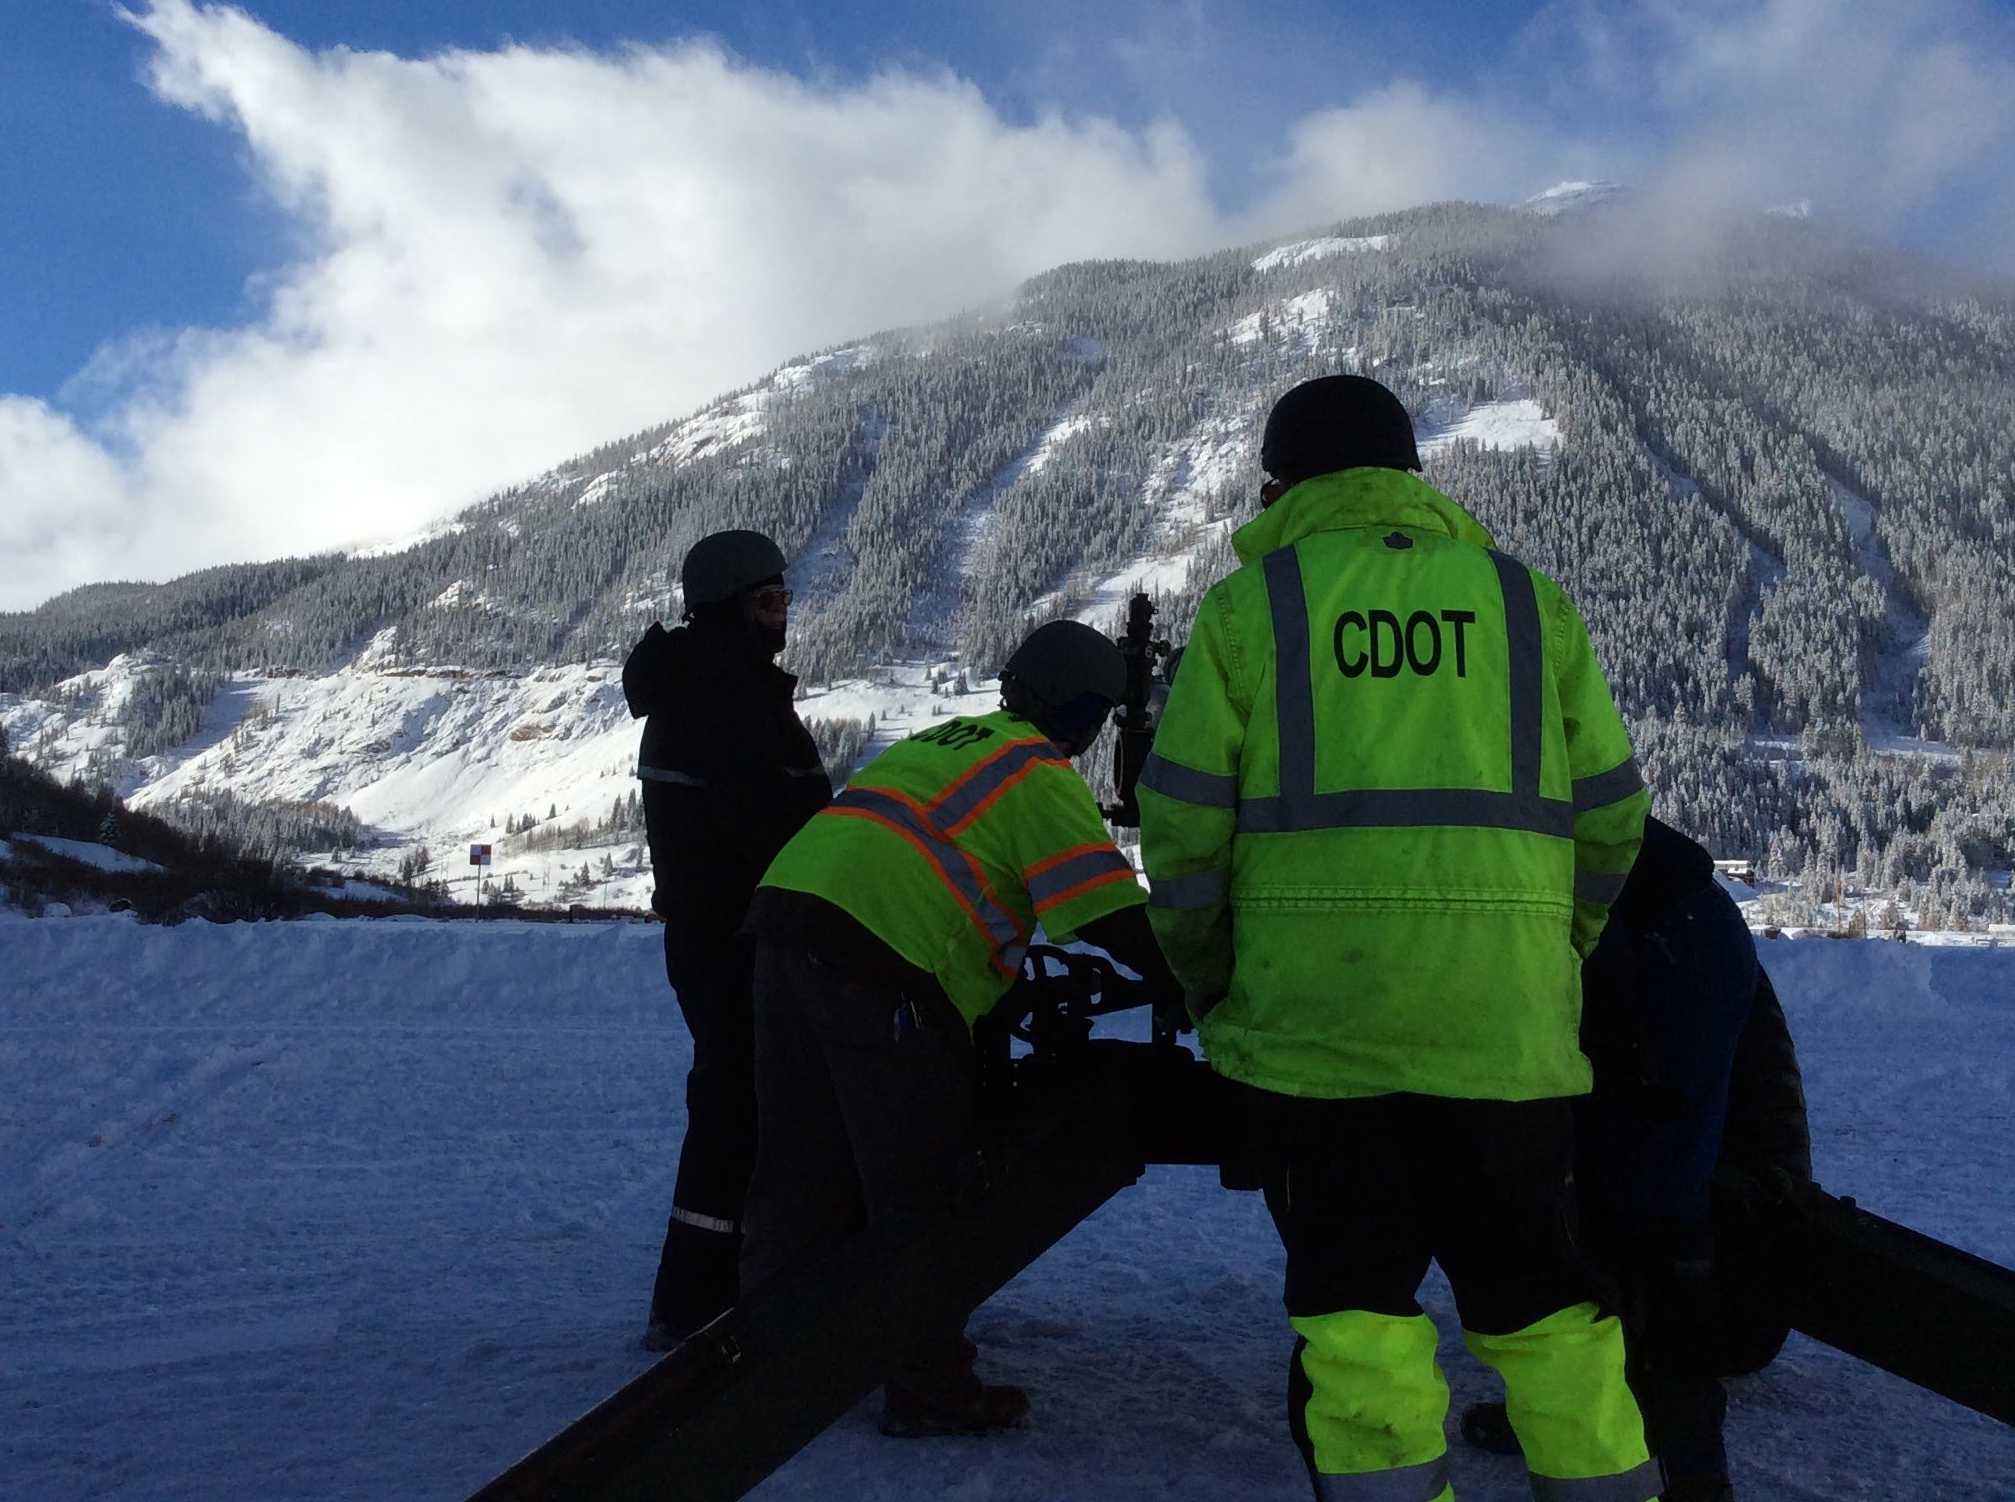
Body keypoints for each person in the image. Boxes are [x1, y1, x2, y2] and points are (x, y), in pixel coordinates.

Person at [1137, 373, 1660, 1502]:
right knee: (1548, 1313)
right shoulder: (1530, 604)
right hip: (1506, 1038)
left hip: (1319, 1042)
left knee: (1361, 1320)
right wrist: (1546, 953)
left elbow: (1181, 840)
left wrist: (1211, 984)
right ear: (1413, 475)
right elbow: (1615, 815)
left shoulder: (1252, 609)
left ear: (1280, 483)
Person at [738, 619, 1181, 1439]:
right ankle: (930, 1391)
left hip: (785, 929)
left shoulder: (949, 740)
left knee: (799, 1164)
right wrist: (1197, 989)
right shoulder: (1037, 774)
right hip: (879, 963)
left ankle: (768, 1369)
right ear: (1089, 714)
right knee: (919, 1190)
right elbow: (1113, 919)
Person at [1461, 818, 1814, 1502]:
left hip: (1657, 945)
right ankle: (1572, 1406)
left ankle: (1693, 1469)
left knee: (1650, 1214)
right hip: (1622, 940)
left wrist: (1632, 1065)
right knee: (1573, 1197)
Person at [622, 529, 832, 1352]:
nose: (783, 617)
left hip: (719, 931)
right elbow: (774, 833)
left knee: (744, 1099)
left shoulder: (709, 686)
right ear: (735, 610)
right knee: (738, 1105)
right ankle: (700, 1299)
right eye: (771, 602)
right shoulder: (724, 699)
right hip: (740, 935)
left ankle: (727, 1281)